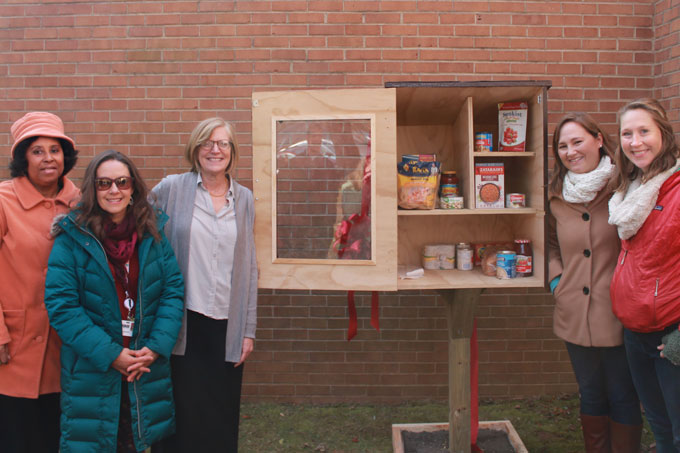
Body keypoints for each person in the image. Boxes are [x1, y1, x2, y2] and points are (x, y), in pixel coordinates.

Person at [44, 150, 184, 452]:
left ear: (133, 187)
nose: (114, 190)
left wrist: (156, 347)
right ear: (93, 190)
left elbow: (172, 290)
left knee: (134, 443)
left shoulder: (152, 233)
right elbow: (62, 307)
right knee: (93, 443)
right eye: (104, 183)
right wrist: (112, 355)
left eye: (122, 181)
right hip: (93, 367)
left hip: (142, 362)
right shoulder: (72, 236)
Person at [152, 117, 257, 452]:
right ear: (195, 149)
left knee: (220, 413)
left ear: (232, 151)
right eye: (207, 143)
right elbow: (129, 218)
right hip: (182, 322)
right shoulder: (171, 189)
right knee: (178, 413)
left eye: (223, 143)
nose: (215, 150)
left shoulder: (244, 199)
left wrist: (248, 329)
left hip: (227, 323)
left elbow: (250, 267)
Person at [548, 113, 642, 452]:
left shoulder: (628, 185)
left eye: (578, 141)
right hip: (573, 310)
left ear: (599, 140)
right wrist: (556, 280)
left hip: (619, 311)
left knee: (622, 392)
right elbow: (549, 244)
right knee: (590, 392)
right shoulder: (556, 195)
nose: (570, 151)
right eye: (562, 145)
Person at [0, 112, 80, 452]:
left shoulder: (82, 203)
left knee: (57, 437)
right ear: (22, 159)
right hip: (14, 348)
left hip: (68, 348)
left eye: (55, 149)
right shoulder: (3, 201)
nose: (48, 158)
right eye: (37, 150)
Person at [609, 99, 680, 452]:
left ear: (663, 135)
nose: (635, 142)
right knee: (660, 426)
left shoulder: (676, 188)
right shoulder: (630, 191)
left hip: (671, 334)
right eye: (627, 133)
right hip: (635, 331)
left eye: (644, 131)